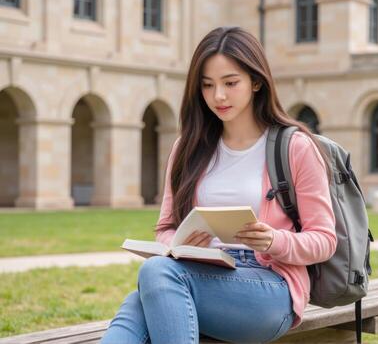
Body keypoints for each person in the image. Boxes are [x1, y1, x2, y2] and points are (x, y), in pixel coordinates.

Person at [101, 26, 337, 344]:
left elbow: (324, 240)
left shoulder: (295, 146)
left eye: (230, 83)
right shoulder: (188, 147)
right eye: (208, 85)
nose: (219, 96)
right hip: (197, 272)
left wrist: (273, 241)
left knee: (154, 277)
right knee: (142, 295)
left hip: (270, 288)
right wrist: (182, 245)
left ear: (256, 81)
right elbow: (166, 227)